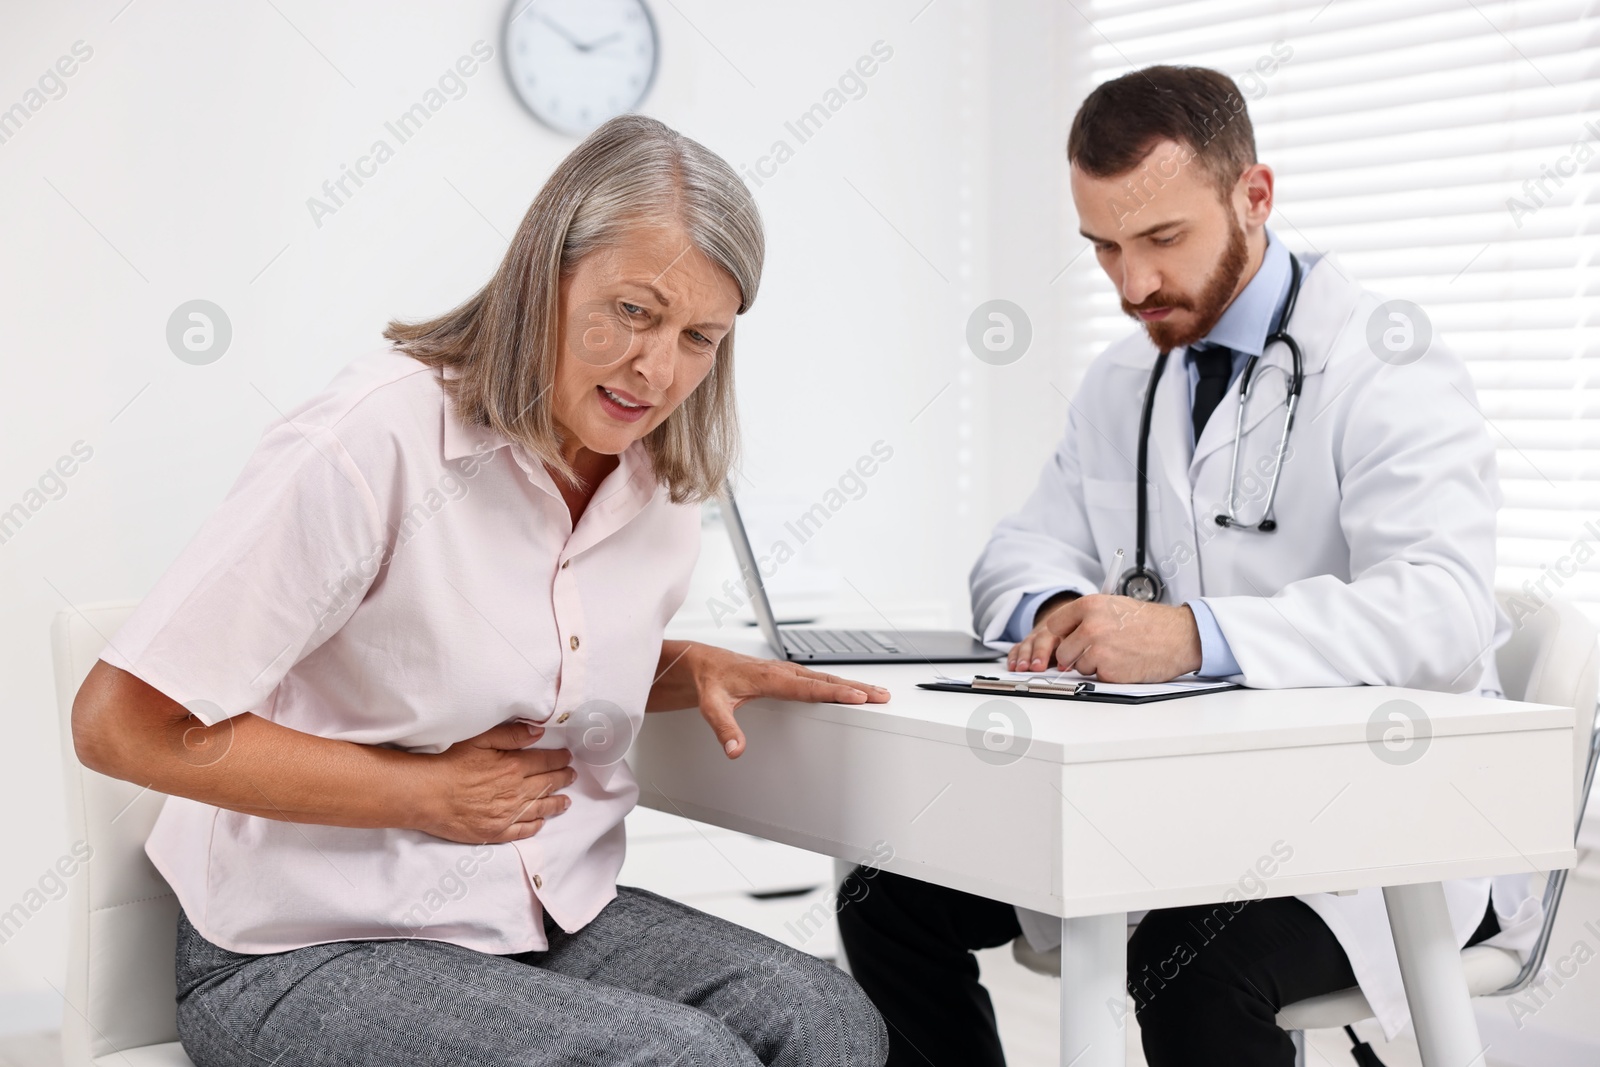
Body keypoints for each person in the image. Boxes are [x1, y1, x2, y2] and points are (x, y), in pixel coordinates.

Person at [72, 114, 890, 1067]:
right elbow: (118, 720)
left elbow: (522, 651)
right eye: (633, 311)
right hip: (302, 948)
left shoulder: (655, 482)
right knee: (676, 1060)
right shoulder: (375, 439)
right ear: (547, 274)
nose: (659, 369)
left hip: (538, 918)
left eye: (699, 336)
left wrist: (682, 664)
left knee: (830, 1023)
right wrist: (419, 793)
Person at [837, 66, 1540, 1067]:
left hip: (1367, 820)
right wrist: (1060, 607)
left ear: (1253, 195)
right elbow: (1013, 555)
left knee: (1191, 956)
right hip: (1164, 803)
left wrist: (1194, 636)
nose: (1130, 286)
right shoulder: (1127, 373)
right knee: (884, 889)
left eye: (1161, 240)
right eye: (1104, 249)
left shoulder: (1384, 362)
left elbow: (1443, 609)